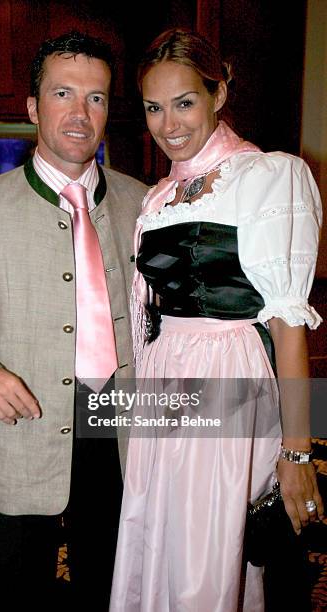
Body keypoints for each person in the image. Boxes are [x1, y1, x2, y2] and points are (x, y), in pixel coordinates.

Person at [0, 31, 147, 610]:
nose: (79, 113)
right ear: (32, 107)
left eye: (95, 98)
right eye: (63, 94)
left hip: (121, 424)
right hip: (22, 428)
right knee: (23, 590)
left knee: (112, 579)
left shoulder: (145, 202)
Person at [109, 28, 324, 611]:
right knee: (162, 537)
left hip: (230, 381)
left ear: (218, 94)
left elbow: (287, 320)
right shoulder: (157, 199)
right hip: (164, 380)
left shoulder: (266, 177)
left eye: (185, 102)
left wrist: (298, 452)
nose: (168, 123)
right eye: (155, 107)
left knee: (213, 552)